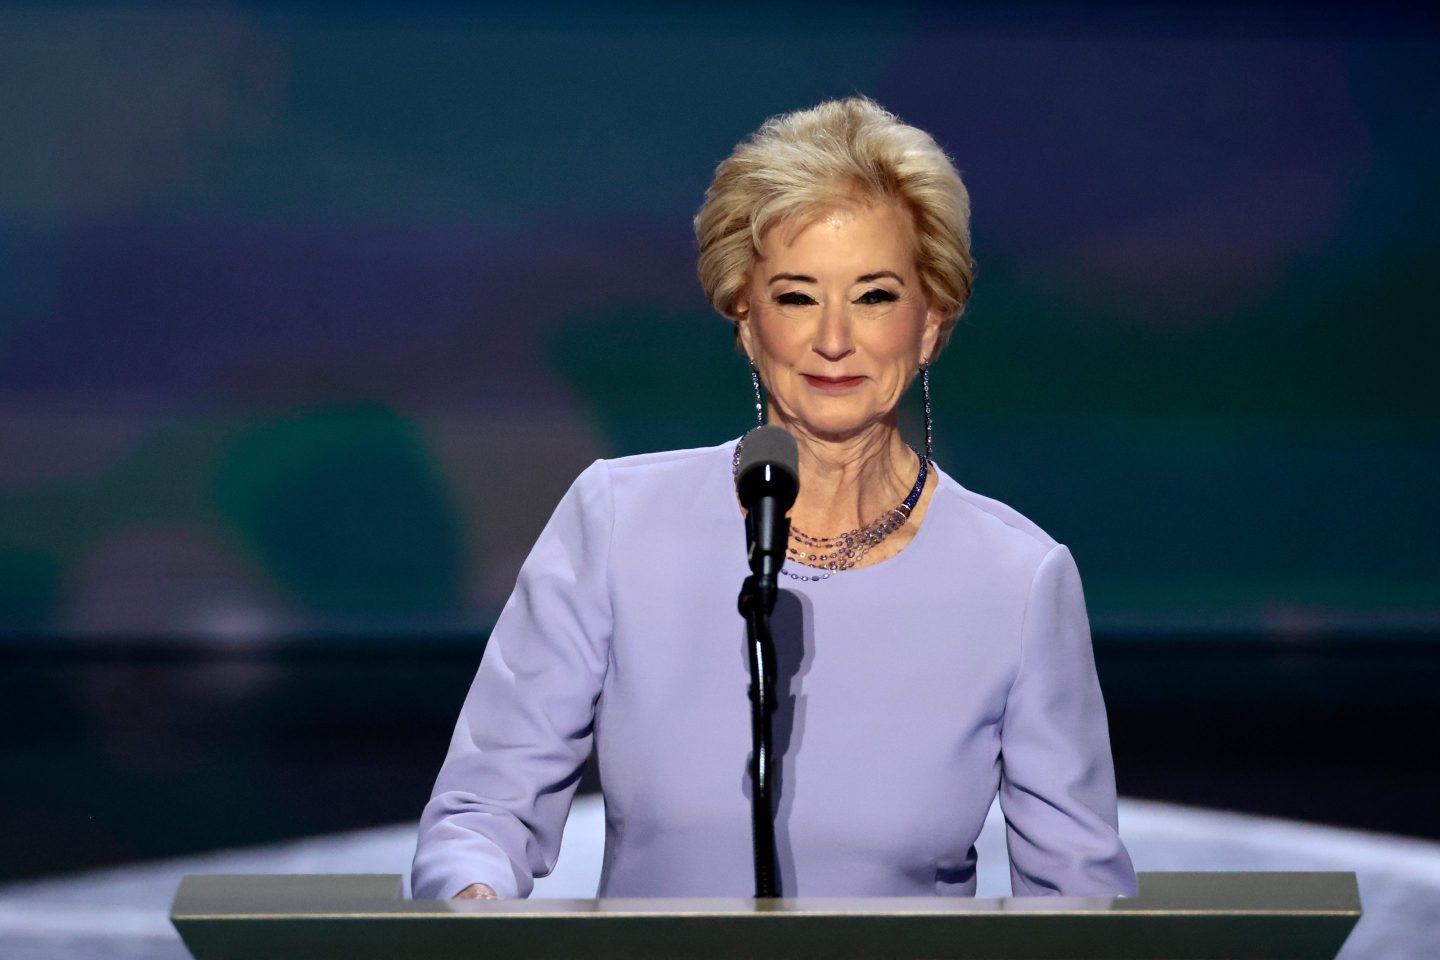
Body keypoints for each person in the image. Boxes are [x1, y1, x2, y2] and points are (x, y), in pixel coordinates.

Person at [411, 97, 1137, 900]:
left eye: (874, 296)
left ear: (932, 322)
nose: (834, 339)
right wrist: (474, 908)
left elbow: (1079, 898)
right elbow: (482, 814)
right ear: (747, 323)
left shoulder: (1018, 579)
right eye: (796, 297)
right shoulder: (618, 524)